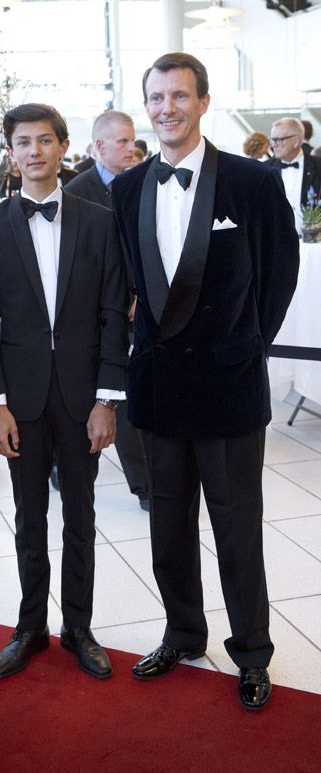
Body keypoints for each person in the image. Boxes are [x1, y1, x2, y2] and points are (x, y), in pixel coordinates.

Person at [110, 52, 299, 711]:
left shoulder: (249, 182)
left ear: (205, 101)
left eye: (180, 96)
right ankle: (184, 633)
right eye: (156, 97)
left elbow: (279, 274)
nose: (167, 108)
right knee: (166, 526)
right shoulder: (128, 188)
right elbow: (131, 285)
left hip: (228, 388)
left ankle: (251, 653)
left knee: (237, 529)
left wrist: (247, 345)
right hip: (158, 388)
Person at [0, 103, 129, 681]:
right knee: (29, 516)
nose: (34, 151)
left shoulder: (98, 220)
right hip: (23, 399)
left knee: (81, 515)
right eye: (22, 142)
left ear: (65, 148)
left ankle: (79, 628)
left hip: (84, 396)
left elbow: (115, 313)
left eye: (45, 140)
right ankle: (30, 625)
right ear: (10, 153)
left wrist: (107, 399)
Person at [65, 110, 150, 512]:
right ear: (98, 147)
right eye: (122, 142)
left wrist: (141, 293)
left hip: (138, 308)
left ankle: (145, 484)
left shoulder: (144, 182)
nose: (131, 148)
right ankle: (60, 465)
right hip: (94, 310)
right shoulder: (76, 192)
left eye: (132, 139)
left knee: (128, 394)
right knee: (95, 393)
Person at [267, 117, 321, 234]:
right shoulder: (264, 169)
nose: (273, 145)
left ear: (296, 141)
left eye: (278, 140)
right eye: (272, 140)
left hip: (313, 242)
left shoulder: (318, 166)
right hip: (276, 243)